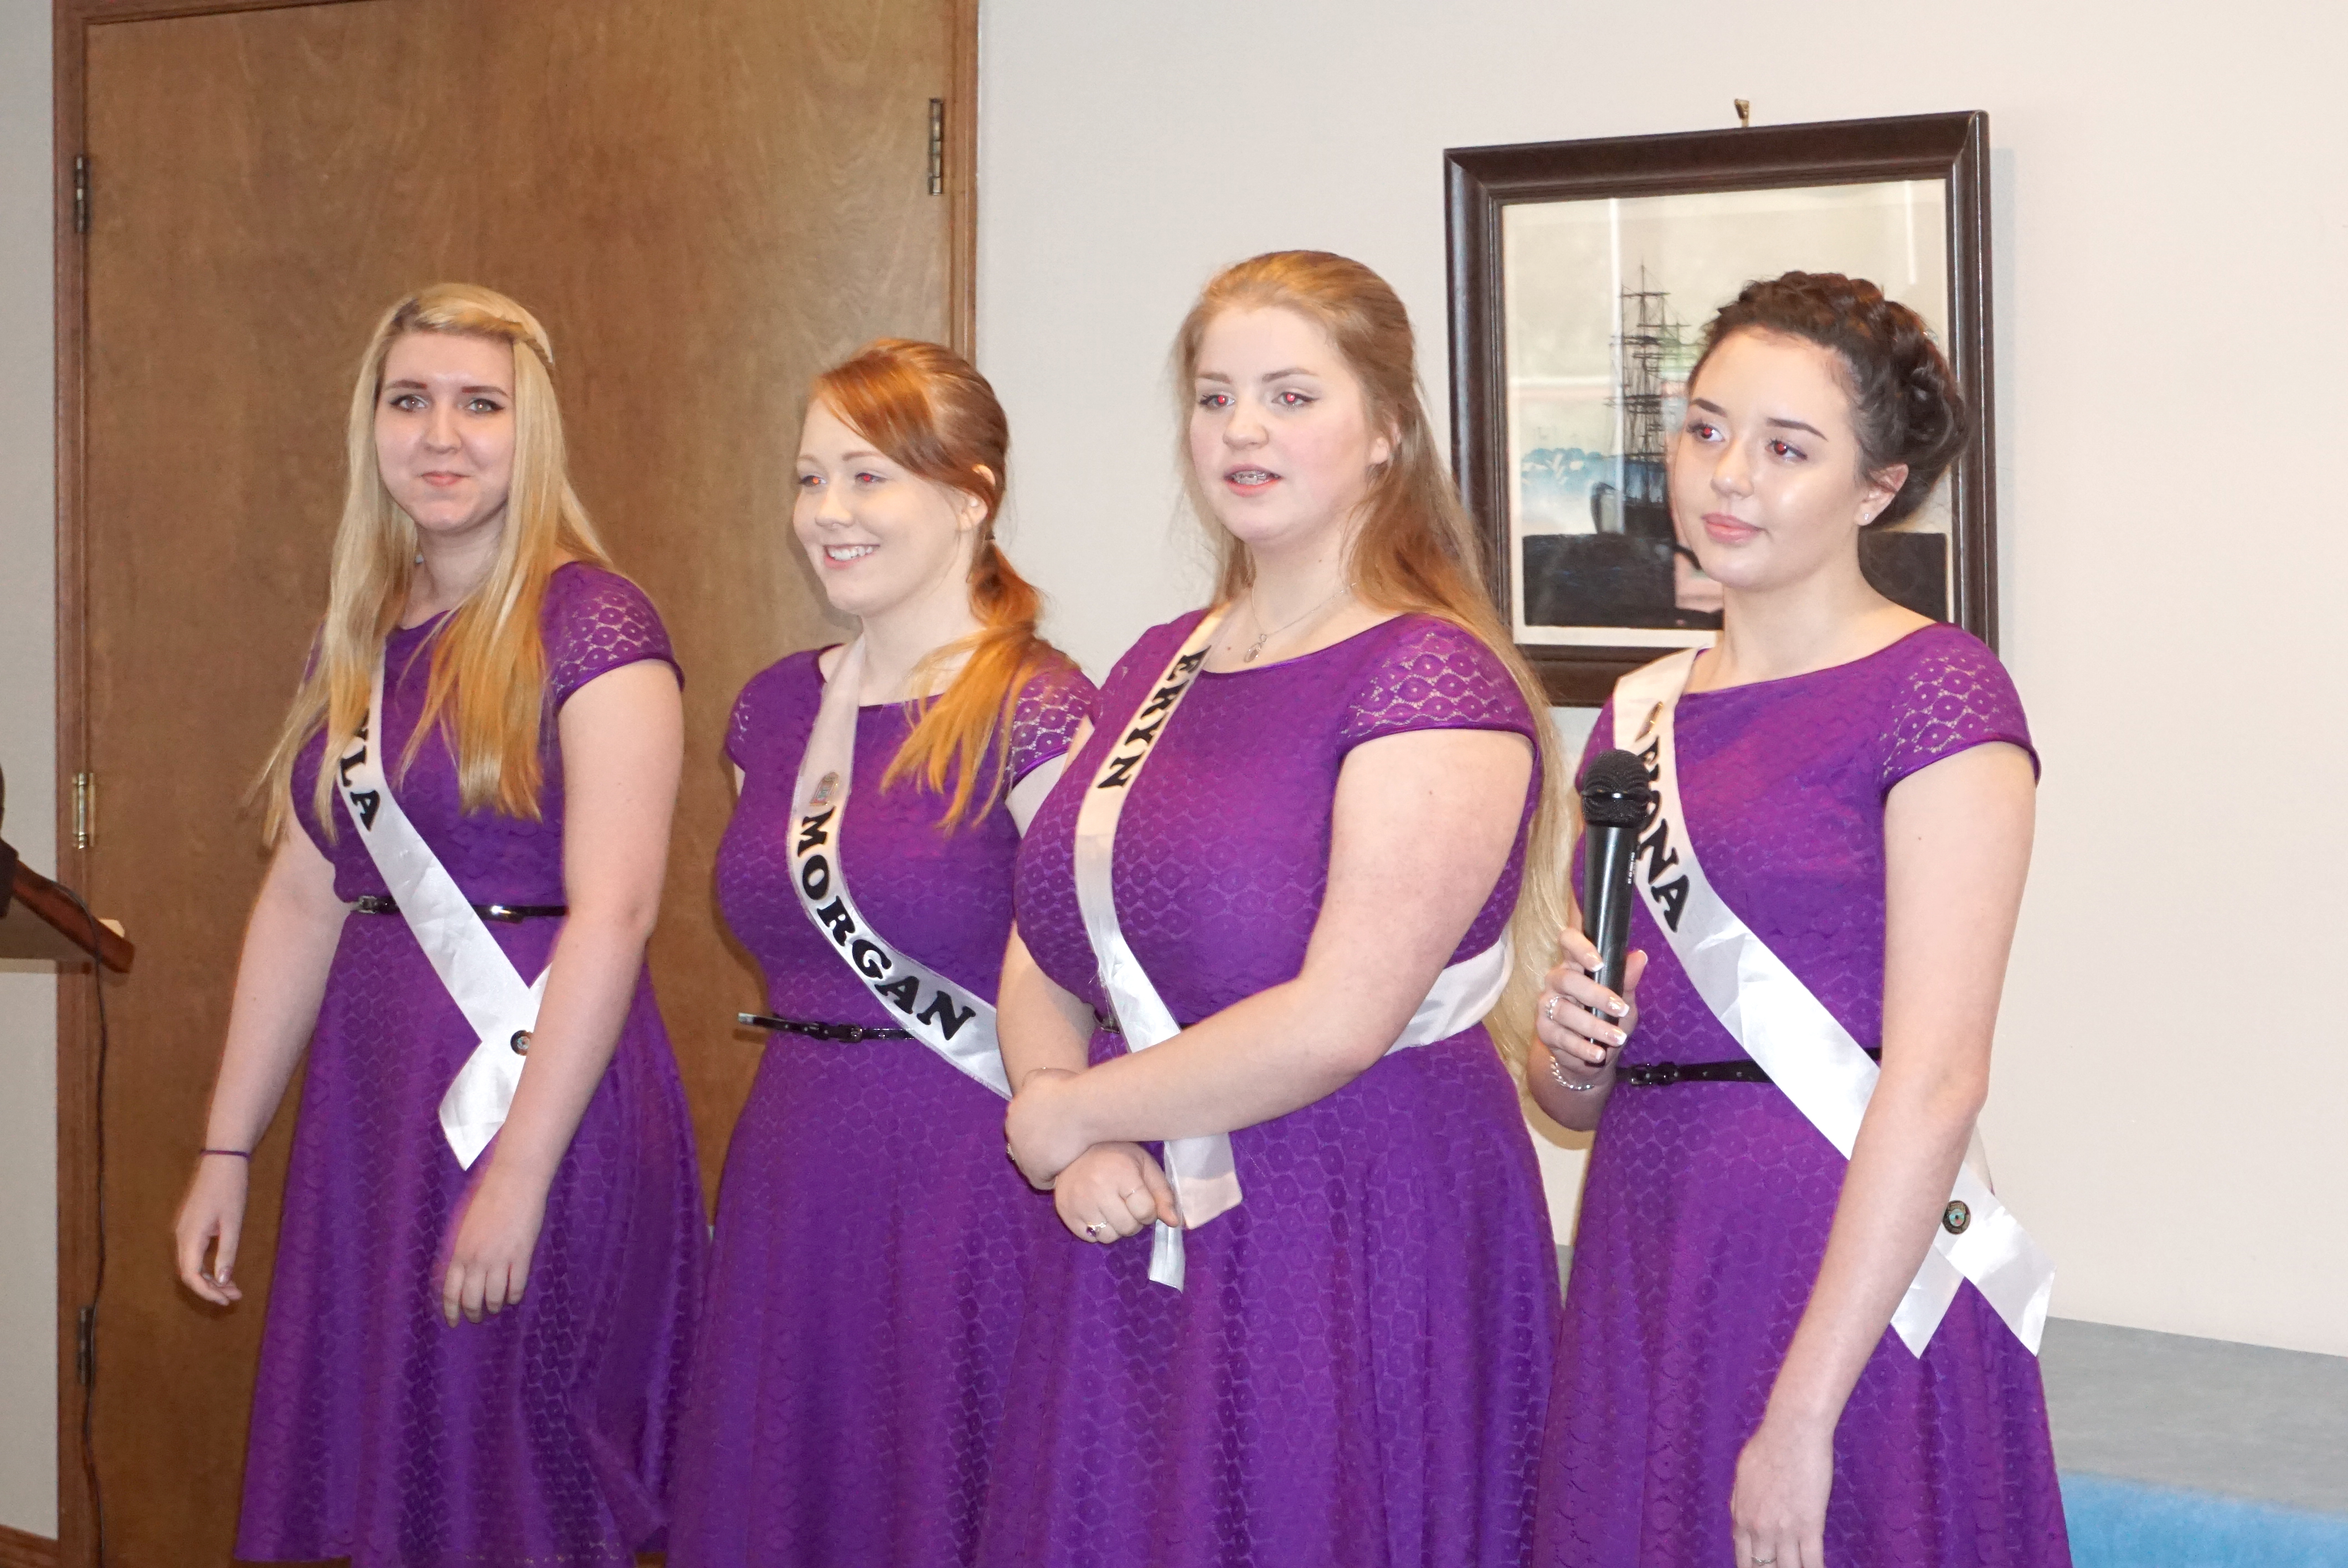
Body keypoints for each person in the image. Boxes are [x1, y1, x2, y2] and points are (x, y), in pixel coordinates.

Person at [981, 250, 1567, 1567]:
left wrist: (1073, 1113)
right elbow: (1048, 932)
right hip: (1129, 1204)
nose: (1242, 430)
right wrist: (1066, 1126)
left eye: (1291, 397)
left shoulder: (1431, 680)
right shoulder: (1152, 662)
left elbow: (1336, 1023)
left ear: (1386, 436)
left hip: (1345, 1223)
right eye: (1214, 396)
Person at [1528, 272, 2067, 1567]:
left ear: (1874, 488)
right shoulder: (1635, 713)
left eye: (1785, 449)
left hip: (1843, 1271)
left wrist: (1803, 1410)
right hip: (1649, 1247)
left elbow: (1935, 1080)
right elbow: (1571, 1105)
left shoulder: (1936, 692)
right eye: (1704, 429)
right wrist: (1564, 1046)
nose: (1726, 476)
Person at [172, 284, 706, 1568]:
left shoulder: (596, 625)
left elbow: (618, 911)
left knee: (510, 1492)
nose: (441, 435)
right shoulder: (355, 639)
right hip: (375, 1114)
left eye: (481, 404)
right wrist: (227, 1146)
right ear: (372, 427)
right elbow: (303, 896)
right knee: (399, 1493)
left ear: (536, 433)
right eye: (408, 401)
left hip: (531, 1105)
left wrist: (517, 1167)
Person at [666, 340, 1094, 1568]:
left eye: (868, 478)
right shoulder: (769, 708)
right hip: (793, 1159)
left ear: (968, 496)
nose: (827, 515)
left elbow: (1089, 971)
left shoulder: (1044, 709)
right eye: (809, 480)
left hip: (967, 1174)